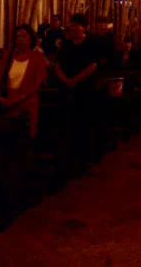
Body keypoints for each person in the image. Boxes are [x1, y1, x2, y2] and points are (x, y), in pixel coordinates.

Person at [55, 14, 98, 169]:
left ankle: (84, 157)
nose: (72, 27)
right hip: (66, 86)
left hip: (84, 87)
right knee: (68, 122)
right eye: (71, 24)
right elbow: (58, 64)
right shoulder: (66, 43)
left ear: (84, 27)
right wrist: (65, 80)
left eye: (75, 25)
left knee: (84, 121)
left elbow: (92, 65)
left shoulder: (90, 42)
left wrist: (75, 80)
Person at [0, 24, 48, 137]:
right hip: (7, 102)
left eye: (24, 36)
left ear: (31, 38)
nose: (21, 39)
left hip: (27, 104)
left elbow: (37, 84)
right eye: (18, 37)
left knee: (25, 138)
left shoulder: (38, 57)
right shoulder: (9, 56)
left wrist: (18, 99)